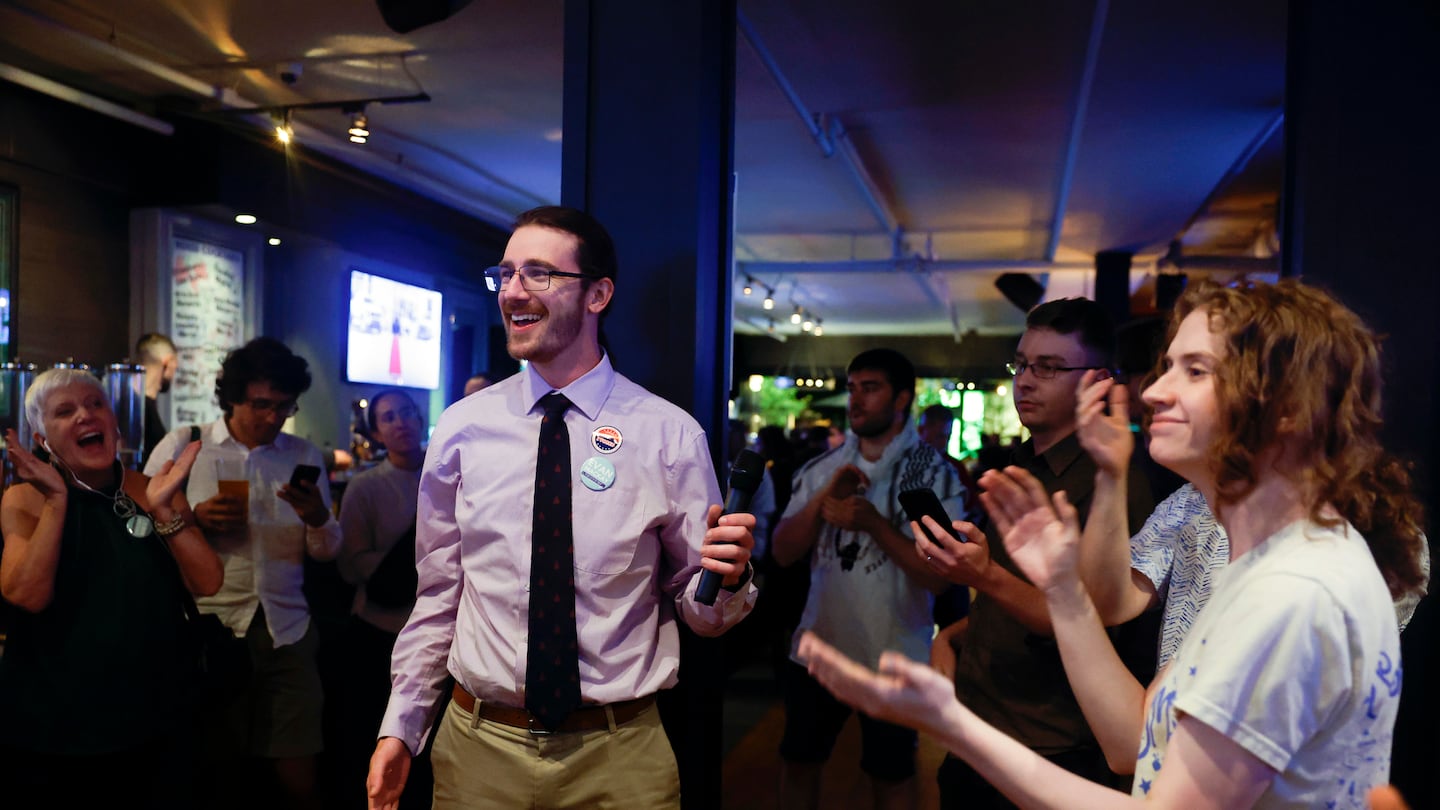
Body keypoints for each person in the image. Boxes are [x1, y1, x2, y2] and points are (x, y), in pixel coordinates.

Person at [798, 279, 1428, 808]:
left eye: (1196, 370)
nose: (1154, 391)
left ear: (1288, 409)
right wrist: (1065, 592)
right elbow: (1135, 743)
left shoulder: (1294, 592)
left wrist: (949, 724)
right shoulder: (1263, 562)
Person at [367, 206, 757, 810]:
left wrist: (725, 581)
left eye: (539, 274)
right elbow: (439, 595)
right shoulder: (462, 429)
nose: (514, 291)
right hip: (478, 750)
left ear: (598, 293)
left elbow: (700, 609)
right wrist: (402, 726)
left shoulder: (669, 435)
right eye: (506, 274)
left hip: (618, 758)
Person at [926, 297, 1154, 807]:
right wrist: (955, 638)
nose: (1025, 380)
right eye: (1022, 363)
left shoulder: (1115, 486)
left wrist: (983, 576)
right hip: (979, 724)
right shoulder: (1025, 461)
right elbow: (1018, 596)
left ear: (1097, 382)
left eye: (1048, 368)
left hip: (1048, 744)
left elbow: (1090, 622)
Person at [0, 368, 222, 807]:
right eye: (66, 411)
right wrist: (58, 502)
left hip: (152, 720)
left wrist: (163, 511)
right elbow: (27, 594)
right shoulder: (23, 500)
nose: (86, 414)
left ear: (115, 423)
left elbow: (208, 581)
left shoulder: (151, 489)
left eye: (96, 404)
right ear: (43, 440)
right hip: (54, 727)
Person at [145, 336, 342, 810]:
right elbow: (138, 527)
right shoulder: (186, 444)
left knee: (299, 771)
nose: (273, 417)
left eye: (283, 407)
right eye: (261, 404)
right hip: (210, 627)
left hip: (287, 628)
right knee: (218, 767)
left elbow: (329, 551)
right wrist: (194, 518)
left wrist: (318, 517)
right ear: (232, 396)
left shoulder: (303, 456)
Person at [771, 348, 966, 810]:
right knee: (799, 763)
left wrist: (875, 524)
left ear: (902, 399)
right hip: (819, 650)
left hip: (895, 655)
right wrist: (823, 502)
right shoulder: (821, 468)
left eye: (870, 388)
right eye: (853, 387)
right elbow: (781, 552)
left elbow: (942, 579)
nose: (855, 399)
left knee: (891, 776)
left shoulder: (935, 474)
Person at [327, 388, 434, 809]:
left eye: (407, 412)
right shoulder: (366, 487)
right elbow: (350, 566)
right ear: (376, 431)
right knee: (378, 740)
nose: (401, 422)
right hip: (380, 631)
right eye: (389, 417)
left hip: (442, 631)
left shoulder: (449, 473)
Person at [137, 331, 178, 462]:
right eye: (175, 367)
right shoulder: (142, 411)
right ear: (168, 362)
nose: (174, 374)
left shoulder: (132, 405)